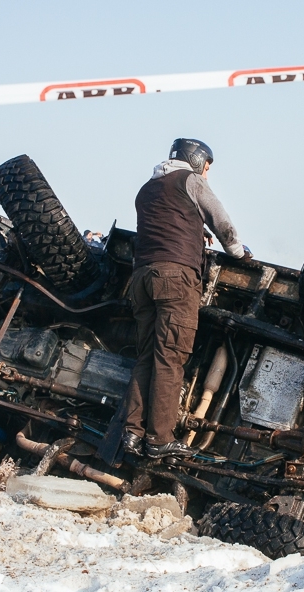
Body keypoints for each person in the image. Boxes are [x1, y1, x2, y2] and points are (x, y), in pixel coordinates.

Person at [121, 138, 250, 459]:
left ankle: (132, 433)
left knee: (146, 356)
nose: (207, 175)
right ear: (196, 162)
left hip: (141, 277)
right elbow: (220, 220)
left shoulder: (147, 188)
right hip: (176, 278)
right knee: (171, 358)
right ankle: (158, 439)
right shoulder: (189, 181)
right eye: (206, 168)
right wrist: (238, 252)